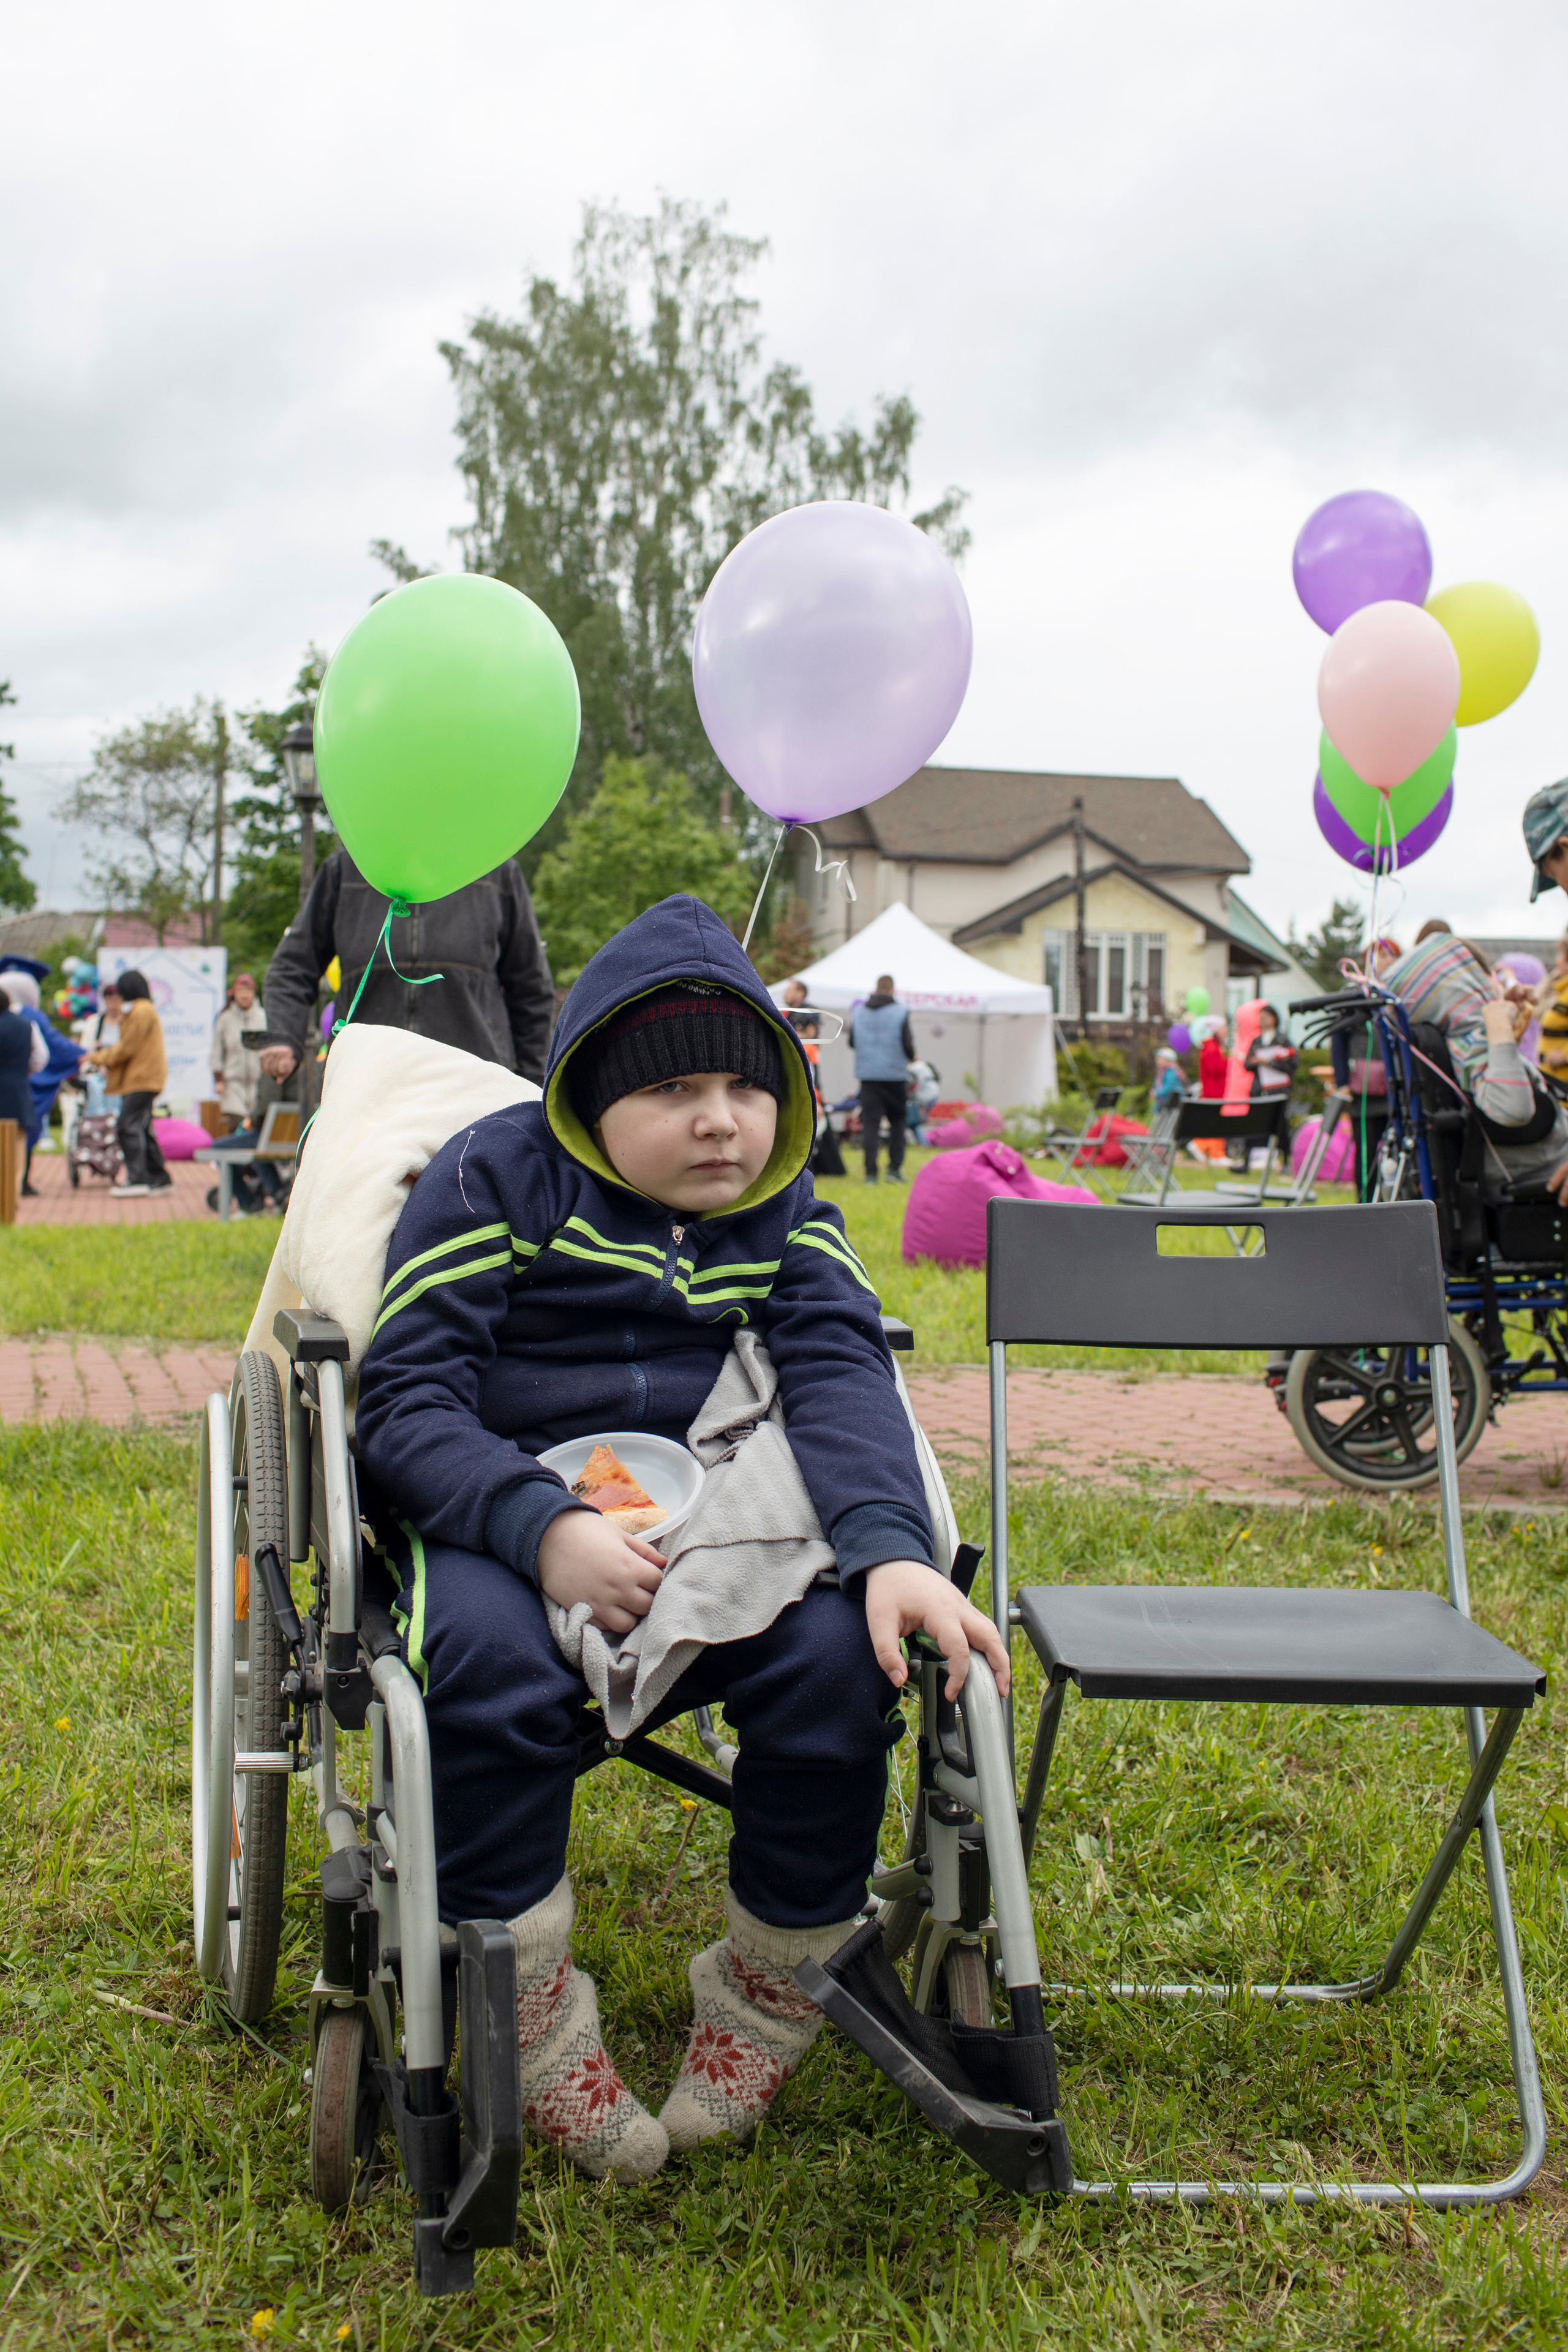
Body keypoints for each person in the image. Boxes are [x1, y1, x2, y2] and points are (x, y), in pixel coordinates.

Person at [353, 894, 1005, 2184]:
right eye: (676, 1093)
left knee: (836, 1664)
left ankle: (768, 1993)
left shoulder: (781, 1204)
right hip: (504, 1504)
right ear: (591, 1099)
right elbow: (406, 1401)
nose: (720, 1119)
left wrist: (887, 1551)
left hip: (718, 1500)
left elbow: (836, 1372)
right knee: (478, 1663)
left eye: (744, 1088)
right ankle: (526, 2010)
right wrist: (536, 1530)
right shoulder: (495, 1178)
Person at [258, 847, 555, 1093]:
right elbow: (291, 968)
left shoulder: (496, 868)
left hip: (473, 1093)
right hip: (364, 1093)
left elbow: (531, 988)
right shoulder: (346, 868)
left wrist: (531, 1086)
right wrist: (284, 1035)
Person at [1385, 930, 1568, 1202]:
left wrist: (1506, 1027)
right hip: (1549, 1173)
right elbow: (1514, 1109)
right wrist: (1497, 1030)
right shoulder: (1475, 1041)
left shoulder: (1456, 1042)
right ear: (1472, 982)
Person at [0, 957, 84, 1196]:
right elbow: (43, 1056)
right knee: (20, 1141)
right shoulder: (29, 1022)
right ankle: (16, 1188)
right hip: (19, 1088)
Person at [86, 969, 171, 1198]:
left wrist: (96, 1057)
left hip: (141, 1080)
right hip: (146, 1079)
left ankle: (138, 1179)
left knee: (127, 1126)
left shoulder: (141, 1011)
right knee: (143, 1127)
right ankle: (159, 1178)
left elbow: (126, 1048)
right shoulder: (145, 1010)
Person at [850, 972, 915, 1184]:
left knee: (870, 1124)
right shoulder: (901, 1011)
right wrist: (913, 1057)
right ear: (893, 990)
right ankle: (894, 1170)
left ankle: (870, 1174)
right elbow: (908, 1045)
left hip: (868, 1076)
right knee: (897, 1122)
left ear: (876, 989)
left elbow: (852, 1042)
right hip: (894, 1076)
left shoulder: (858, 1012)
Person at [211, 971, 268, 1131]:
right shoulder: (225, 1018)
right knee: (237, 1123)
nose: (244, 996)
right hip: (233, 1083)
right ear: (234, 994)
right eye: (240, 992)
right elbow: (217, 1051)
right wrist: (219, 1079)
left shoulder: (263, 1016)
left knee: (257, 1124)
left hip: (258, 1082)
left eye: (248, 992)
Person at [1151, 1046, 1185, 1113]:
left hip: (1171, 1106)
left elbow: (1169, 1088)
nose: (1157, 1060)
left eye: (1160, 1058)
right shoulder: (1162, 1072)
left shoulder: (1171, 1072)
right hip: (1164, 1105)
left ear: (1168, 1060)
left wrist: (1157, 1092)